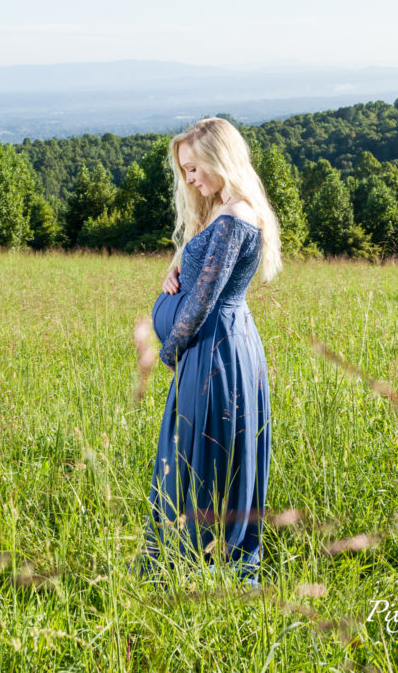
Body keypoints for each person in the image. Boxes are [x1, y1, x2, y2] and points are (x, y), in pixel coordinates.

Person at [141, 117, 283, 586]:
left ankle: (197, 565)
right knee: (207, 452)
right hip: (221, 343)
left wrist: (169, 350)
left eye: (195, 167)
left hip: (215, 349)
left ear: (221, 159)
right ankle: (199, 558)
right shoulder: (226, 209)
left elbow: (203, 302)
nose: (189, 178)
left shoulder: (235, 218)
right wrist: (173, 274)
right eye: (183, 170)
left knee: (203, 453)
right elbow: (199, 282)